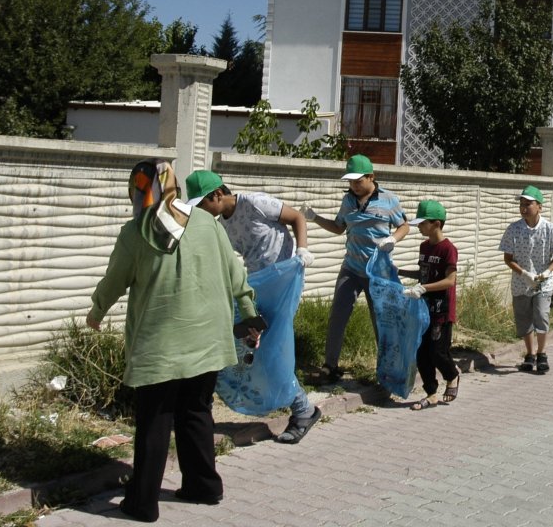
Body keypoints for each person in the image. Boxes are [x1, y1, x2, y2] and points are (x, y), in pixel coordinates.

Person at [86, 160, 257, 522]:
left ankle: (143, 503)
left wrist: (97, 311)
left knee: (156, 419)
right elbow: (235, 271)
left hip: (161, 343)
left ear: (138, 191)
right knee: (196, 411)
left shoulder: (136, 231)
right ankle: (204, 487)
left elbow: (115, 279)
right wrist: (249, 311)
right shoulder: (207, 223)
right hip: (208, 337)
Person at [184, 169, 322, 445]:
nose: (200, 211)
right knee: (245, 341)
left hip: (282, 284)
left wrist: (302, 250)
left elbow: (296, 217)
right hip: (257, 287)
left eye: (202, 204)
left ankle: (304, 410)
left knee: (272, 347)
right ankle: (207, 408)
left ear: (217, 194)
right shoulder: (221, 225)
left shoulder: (255, 203)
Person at [302, 154, 409, 383]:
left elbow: (404, 226)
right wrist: (314, 217)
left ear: (371, 176)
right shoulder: (348, 201)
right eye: (350, 181)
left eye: (358, 181)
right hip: (351, 268)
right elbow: (338, 227)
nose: (354, 185)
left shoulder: (389, 199)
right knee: (337, 317)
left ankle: (386, 370)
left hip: (377, 271)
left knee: (381, 320)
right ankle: (330, 367)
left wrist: (393, 239)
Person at [396, 200, 460, 410]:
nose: (419, 227)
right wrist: (399, 271)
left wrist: (423, 288)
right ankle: (431, 393)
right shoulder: (424, 247)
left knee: (438, 352)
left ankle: (452, 376)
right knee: (422, 352)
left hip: (442, 310)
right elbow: (424, 274)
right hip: (423, 309)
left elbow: (450, 280)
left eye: (423, 223)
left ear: (436, 224)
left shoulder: (448, 249)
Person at [499, 185, 553, 373]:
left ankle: (542, 353)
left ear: (539, 207)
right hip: (521, 282)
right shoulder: (513, 229)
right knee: (524, 318)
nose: (524, 208)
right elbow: (508, 258)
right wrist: (524, 274)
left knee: (541, 315)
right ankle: (529, 354)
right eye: (521, 204)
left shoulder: (550, 229)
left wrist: (548, 272)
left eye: (528, 204)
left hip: (543, 282)